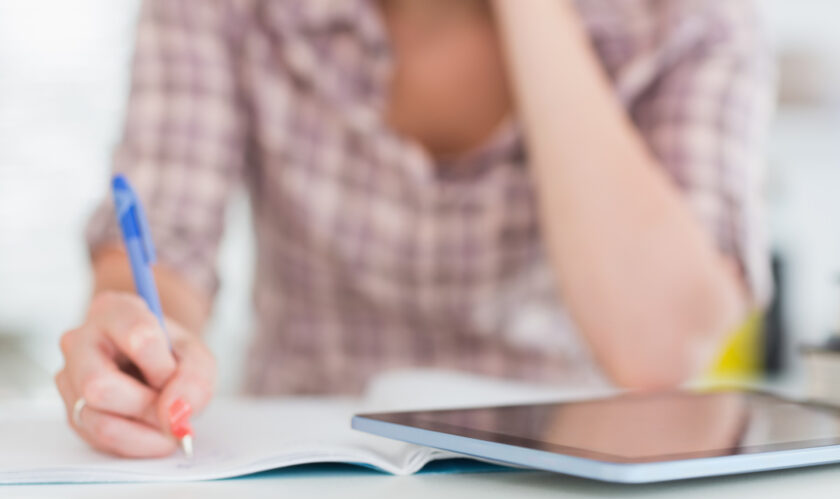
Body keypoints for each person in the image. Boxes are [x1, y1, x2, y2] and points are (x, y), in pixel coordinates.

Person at [55, 0, 775, 457]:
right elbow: (164, 249)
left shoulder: (689, 20)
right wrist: (139, 344)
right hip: (300, 466)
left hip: (562, 480)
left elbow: (665, 350)